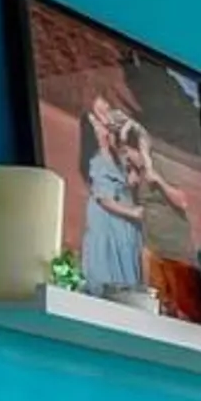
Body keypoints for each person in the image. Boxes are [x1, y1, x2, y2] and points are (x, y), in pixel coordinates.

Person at [75, 95, 146, 290]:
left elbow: (139, 164)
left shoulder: (116, 151)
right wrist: (132, 212)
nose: (107, 116)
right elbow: (103, 199)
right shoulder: (96, 160)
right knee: (109, 275)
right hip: (108, 222)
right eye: (100, 114)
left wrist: (128, 132)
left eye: (107, 108)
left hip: (124, 226)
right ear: (93, 125)